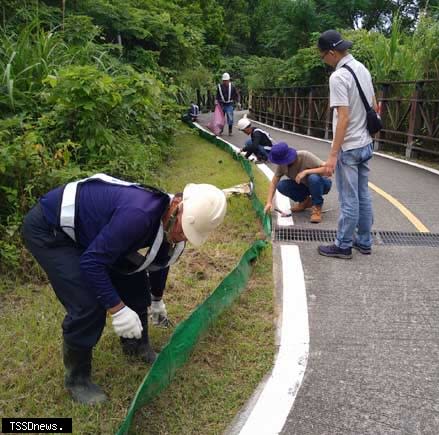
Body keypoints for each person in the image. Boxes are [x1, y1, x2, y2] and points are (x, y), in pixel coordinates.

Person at [21, 174, 227, 405]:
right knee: (88, 303)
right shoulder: (139, 215)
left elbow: (158, 260)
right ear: (178, 206)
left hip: (90, 232)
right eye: (183, 229)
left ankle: (136, 347)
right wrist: (118, 309)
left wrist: (157, 299)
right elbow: (92, 262)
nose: (182, 236)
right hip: (51, 230)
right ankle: (77, 380)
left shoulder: (168, 219)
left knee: (134, 281)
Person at [317, 29, 377, 259]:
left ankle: (343, 245)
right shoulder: (363, 69)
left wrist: (333, 154)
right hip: (366, 143)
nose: (325, 62)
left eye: (323, 57)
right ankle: (364, 241)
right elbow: (374, 104)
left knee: (348, 198)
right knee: (363, 195)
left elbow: (343, 117)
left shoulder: (338, 77)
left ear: (332, 53)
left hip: (349, 146)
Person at [264, 142, 332, 224]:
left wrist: (306, 172)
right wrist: (269, 202)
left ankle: (317, 206)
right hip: (304, 186)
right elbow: (274, 182)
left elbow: (329, 170)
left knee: (313, 178)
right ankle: (305, 201)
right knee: (281, 185)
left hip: (321, 184)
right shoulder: (282, 165)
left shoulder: (304, 155)